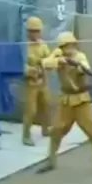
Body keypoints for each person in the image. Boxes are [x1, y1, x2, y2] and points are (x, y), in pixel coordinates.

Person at [36, 32, 92, 173]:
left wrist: (76, 66)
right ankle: (51, 161)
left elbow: (84, 67)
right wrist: (58, 60)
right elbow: (45, 64)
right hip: (66, 101)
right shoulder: (58, 56)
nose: (68, 48)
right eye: (64, 46)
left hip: (81, 100)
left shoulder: (80, 56)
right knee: (56, 131)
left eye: (70, 45)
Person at [22, 17, 52, 146]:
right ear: (28, 32)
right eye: (33, 31)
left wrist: (44, 63)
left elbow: (50, 60)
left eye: (37, 31)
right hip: (30, 84)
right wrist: (29, 70)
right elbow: (19, 63)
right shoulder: (24, 46)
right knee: (31, 110)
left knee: (46, 105)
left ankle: (45, 129)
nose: (35, 34)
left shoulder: (43, 45)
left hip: (43, 81)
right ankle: (26, 135)